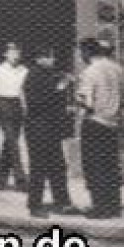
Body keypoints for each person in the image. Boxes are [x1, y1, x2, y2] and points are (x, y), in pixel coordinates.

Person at [23, 45, 78, 218]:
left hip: (50, 128)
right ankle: (35, 205)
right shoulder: (33, 75)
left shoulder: (47, 74)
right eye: (49, 57)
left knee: (57, 166)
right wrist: (60, 87)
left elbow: (54, 99)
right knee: (39, 167)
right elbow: (36, 103)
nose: (53, 60)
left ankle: (63, 202)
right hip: (38, 128)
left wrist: (62, 86)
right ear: (40, 58)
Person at [76, 38, 124, 220]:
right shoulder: (117, 69)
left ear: (87, 52)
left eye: (81, 52)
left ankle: (100, 207)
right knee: (111, 165)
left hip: (95, 121)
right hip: (113, 122)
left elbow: (86, 102)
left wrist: (77, 103)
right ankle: (113, 206)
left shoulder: (90, 72)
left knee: (94, 166)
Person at [0, 42, 29, 190]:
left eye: (18, 52)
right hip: (3, 104)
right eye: (12, 52)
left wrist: (25, 106)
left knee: (10, 142)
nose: (15, 55)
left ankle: (0, 177)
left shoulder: (24, 70)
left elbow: (24, 91)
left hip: (17, 105)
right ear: (5, 54)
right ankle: (21, 179)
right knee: (12, 142)